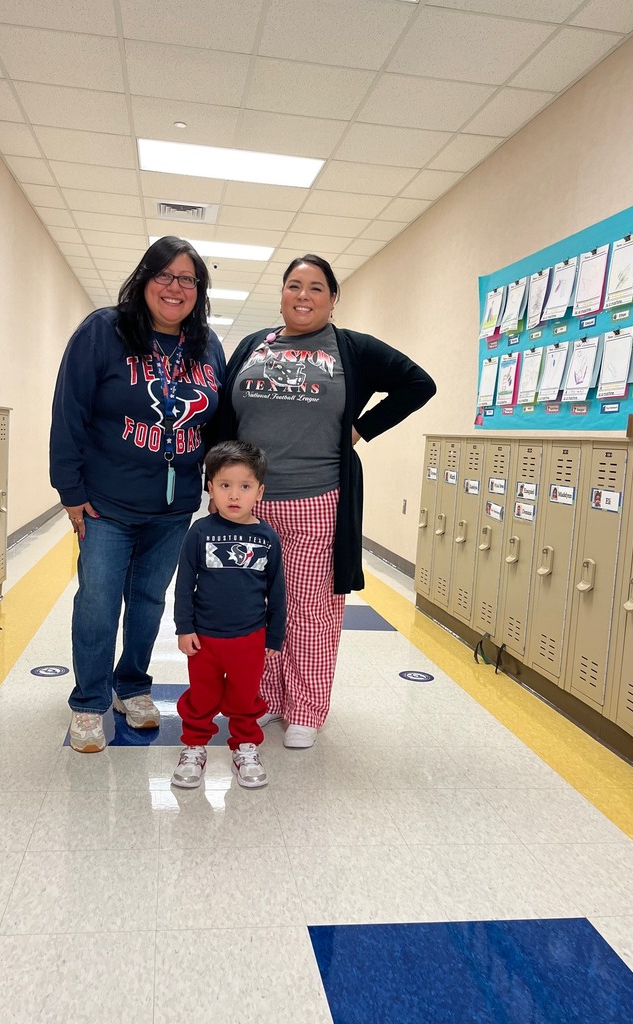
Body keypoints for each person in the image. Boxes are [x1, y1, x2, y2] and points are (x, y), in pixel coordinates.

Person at [217, 254, 435, 748]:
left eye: (317, 288)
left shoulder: (350, 348)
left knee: (312, 609)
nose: (304, 296)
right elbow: (226, 418)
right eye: (294, 285)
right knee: (258, 607)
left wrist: (362, 428)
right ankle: (266, 698)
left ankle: (307, 708)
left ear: (334, 299)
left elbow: (419, 383)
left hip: (317, 500)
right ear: (281, 295)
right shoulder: (254, 345)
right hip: (249, 505)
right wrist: (220, 485)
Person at [50, 236, 226, 753]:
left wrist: (215, 486)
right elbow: (69, 411)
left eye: (188, 279)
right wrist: (70, 490)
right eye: (164, 275)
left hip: (173, 508)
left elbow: (216, 424)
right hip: (106, 502)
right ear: (143, 278)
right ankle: (88, 703)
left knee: (149, 602)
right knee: (99, 603)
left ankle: (132, 687)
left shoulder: (206, 344)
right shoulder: (103, 331)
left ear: (199, 290)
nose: (175, 288)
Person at [172, 441, 286, 788]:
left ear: (259, 492)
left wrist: (274, 636)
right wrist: (184, 627)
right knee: (202, 696)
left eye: (245, 486)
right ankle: (194, 747)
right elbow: (184, 583)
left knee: (244, 697)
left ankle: (245, 747)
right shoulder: (200, 532)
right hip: (204, 637)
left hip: (249, 638)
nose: (234, 495)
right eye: (224, 485)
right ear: (211, 488)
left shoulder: (266, 537)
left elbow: (277, 590)